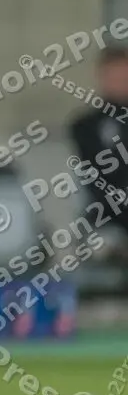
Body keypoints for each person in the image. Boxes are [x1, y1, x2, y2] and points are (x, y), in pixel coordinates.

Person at [69, 47, 128, 258]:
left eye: (124, 76)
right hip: (104, 216)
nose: (119, 82)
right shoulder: (84, 126)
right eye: (113, 76)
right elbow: (93, 176)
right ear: (101, 77)